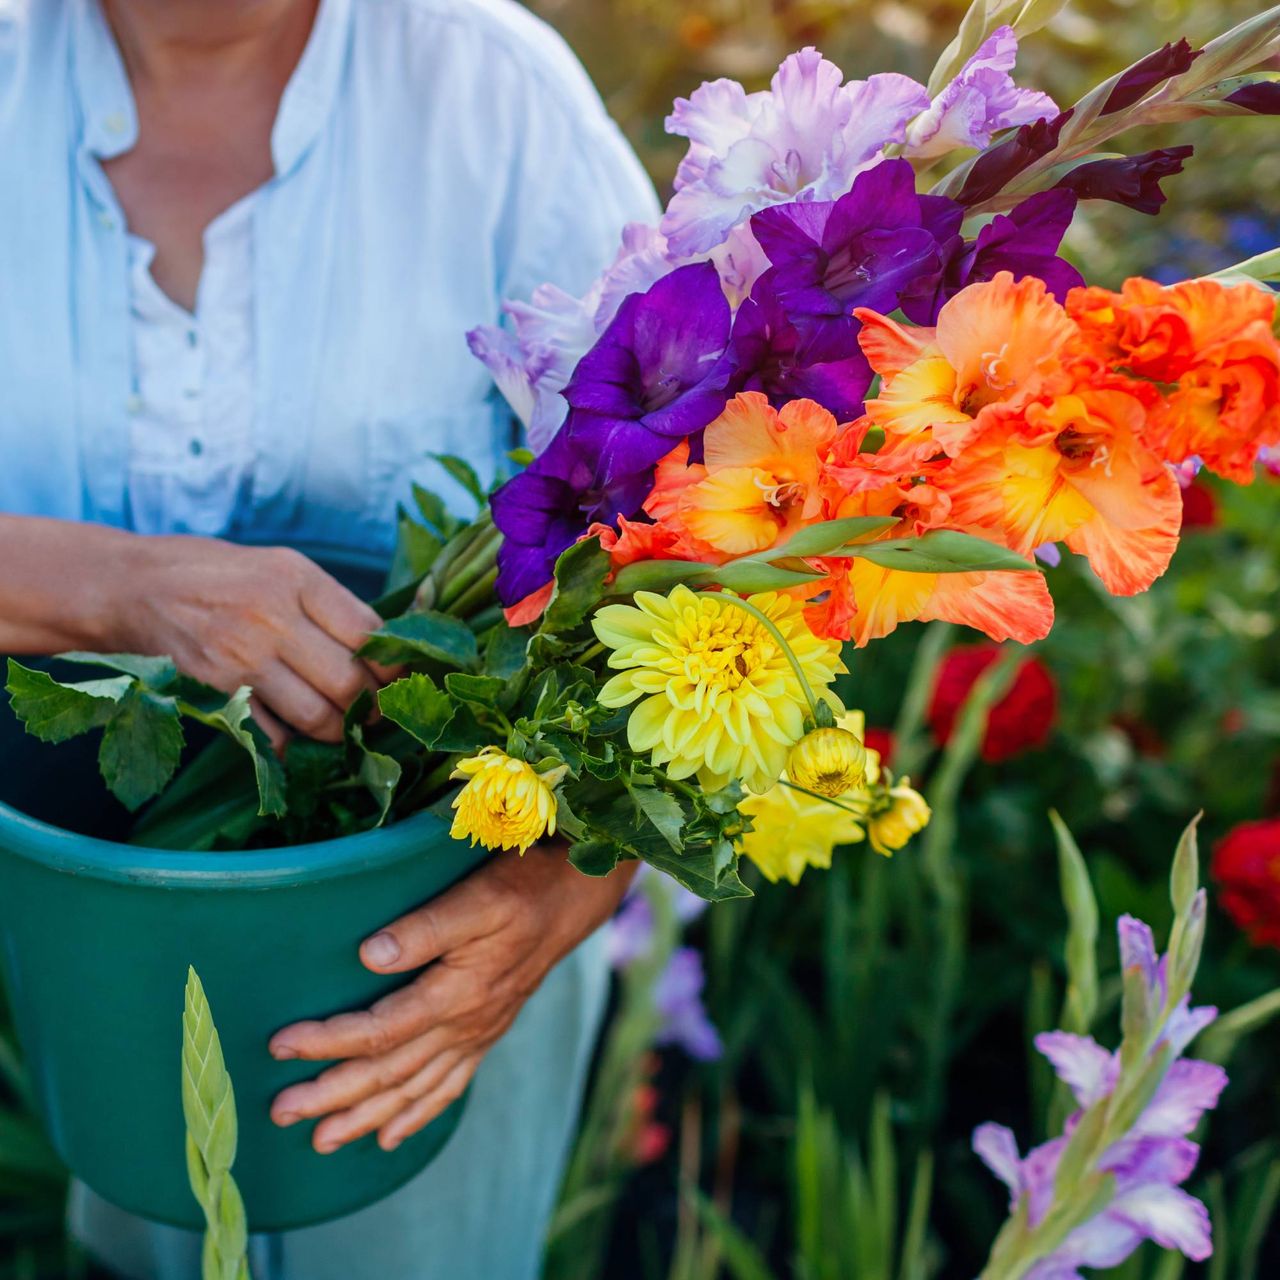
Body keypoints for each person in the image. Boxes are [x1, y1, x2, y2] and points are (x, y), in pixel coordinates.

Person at [0, 0, 658, 1276]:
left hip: (433, 937)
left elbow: (706, 529)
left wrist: (561, 886)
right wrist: (122, 584)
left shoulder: (496, 97)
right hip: (95, 924)